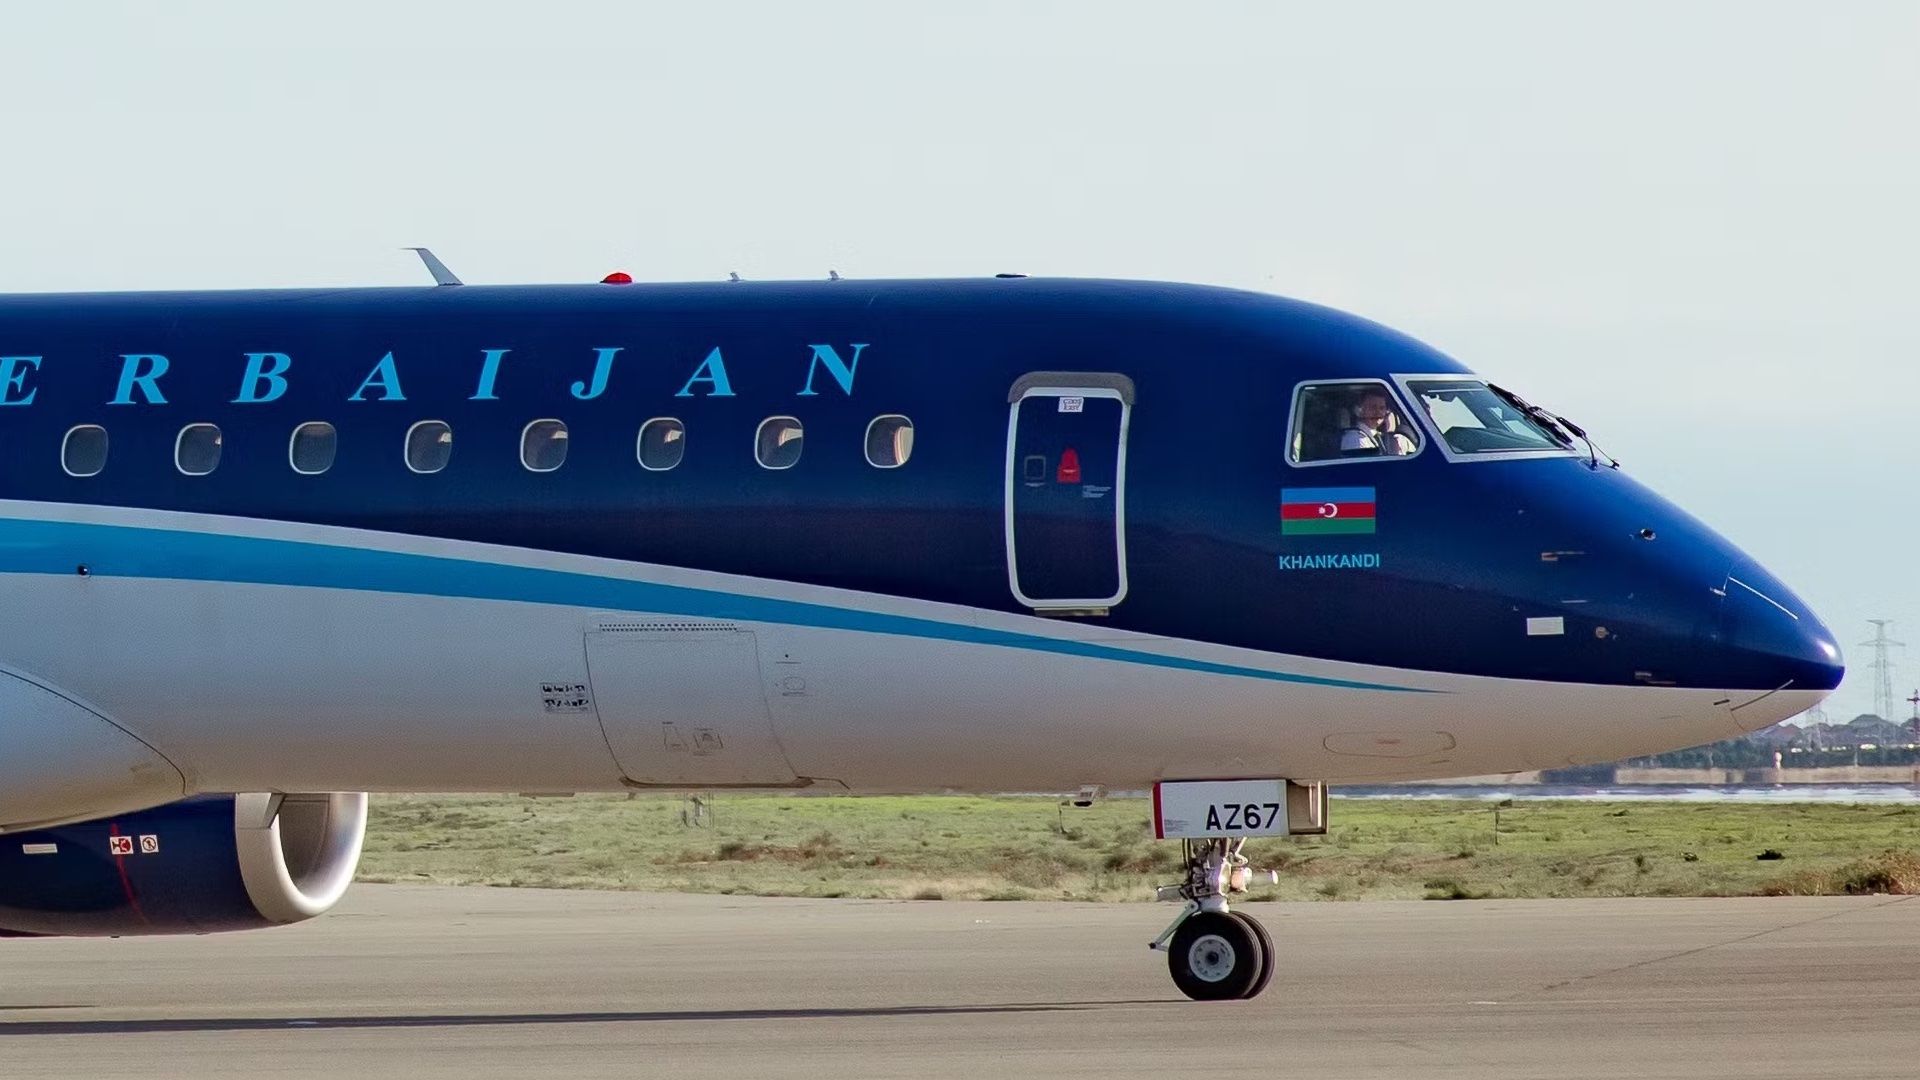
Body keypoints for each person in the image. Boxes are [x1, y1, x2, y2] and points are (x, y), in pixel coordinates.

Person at [1340, 389, 1415, 456]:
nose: (1378, 412)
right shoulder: (1355, 439)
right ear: (1360, 410)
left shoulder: (1388, 438)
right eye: (1372, 407)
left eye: (1382, 408)